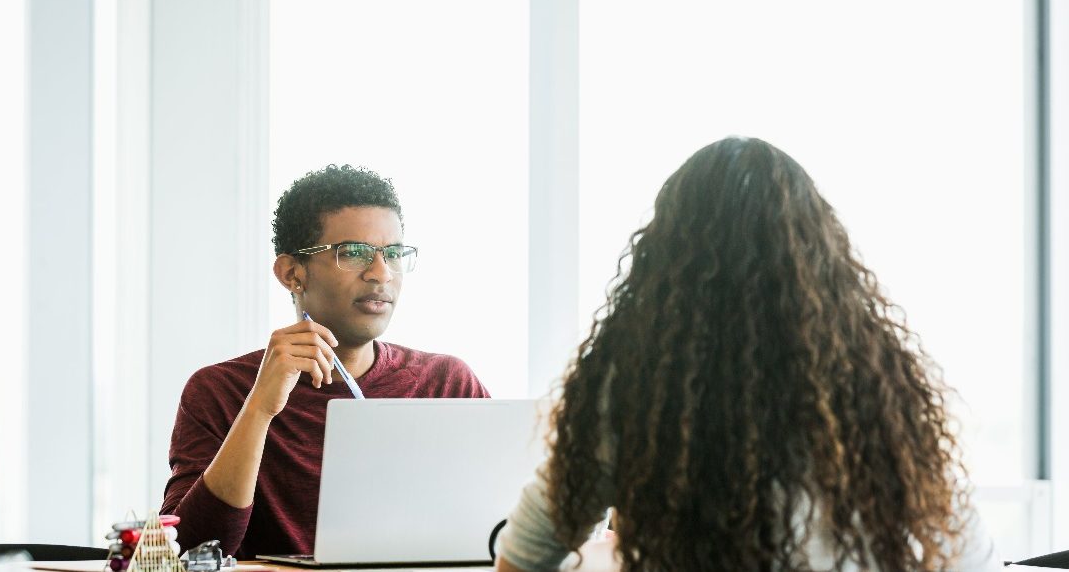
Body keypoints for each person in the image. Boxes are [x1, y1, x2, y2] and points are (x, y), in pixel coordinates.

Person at [496, 137, 1001, 571]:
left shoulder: (635, 389)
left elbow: (522, 555)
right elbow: (972, 555)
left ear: (667, 264)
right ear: (818, 259)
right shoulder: (871, 385)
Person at [162, 165, 489, 558]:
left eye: (393, 254)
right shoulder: (219, 392)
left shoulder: (446, 386)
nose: (380, 274)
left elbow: (506, 528)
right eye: (354, 253)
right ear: (292, 273)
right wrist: (260, 410)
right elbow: (189, 553)